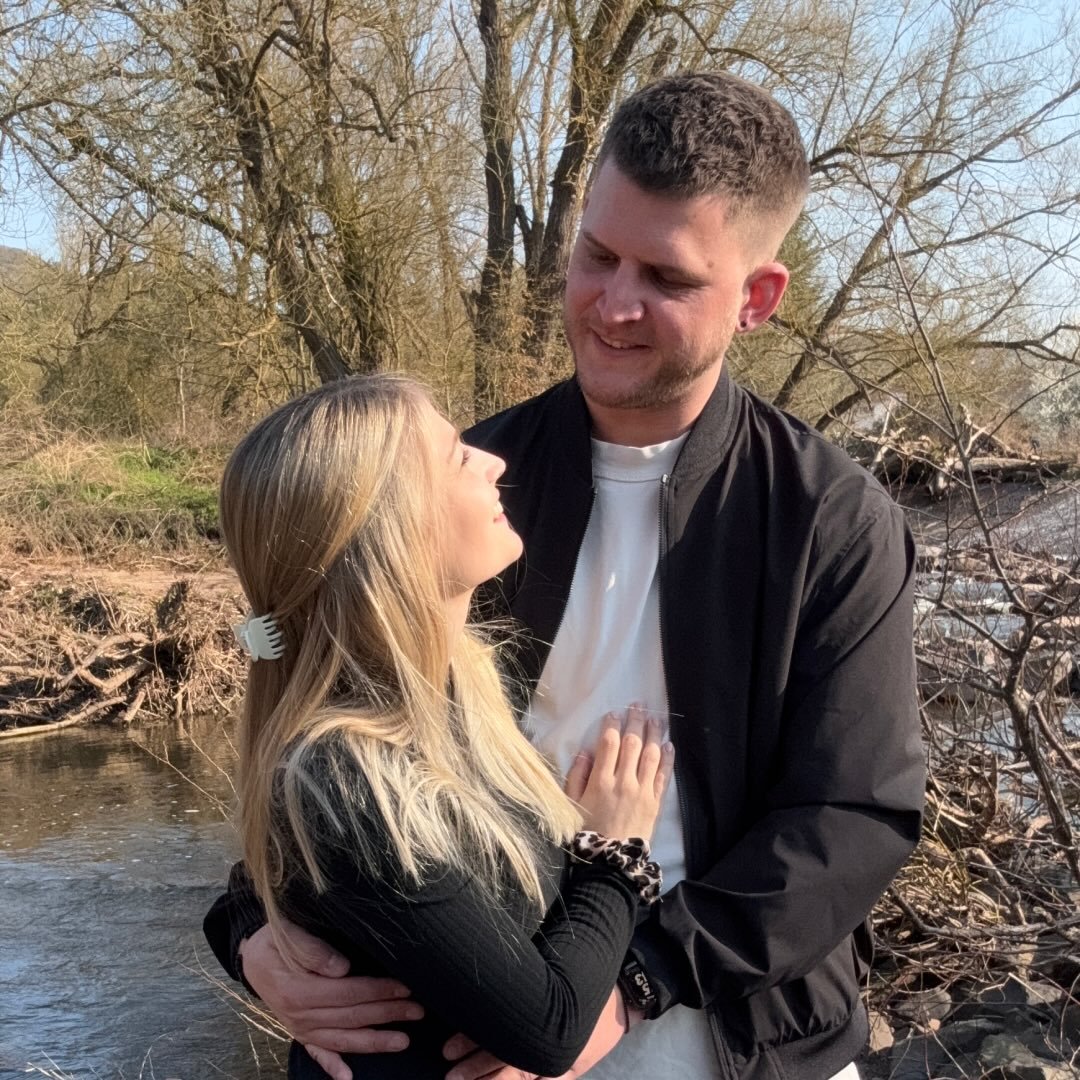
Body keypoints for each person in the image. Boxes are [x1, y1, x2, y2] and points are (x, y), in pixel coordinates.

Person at [205, 72, 925, 1080]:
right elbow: (333, 721)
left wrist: (635, 981)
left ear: (757, 299)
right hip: (488, 1032)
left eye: (667, 278)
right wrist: (252, 926)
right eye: (597, 255)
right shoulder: (464, 493)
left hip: (751, 1044)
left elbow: (855, 813)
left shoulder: (831, 521)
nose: (614, 305)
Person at [213, 373, 677, 1079]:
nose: (493, 462)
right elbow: (550, 1030)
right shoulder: (342, 778)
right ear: (388, 530)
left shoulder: (462, 691)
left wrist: (244, 927)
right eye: (458, 455)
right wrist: (614, 851)